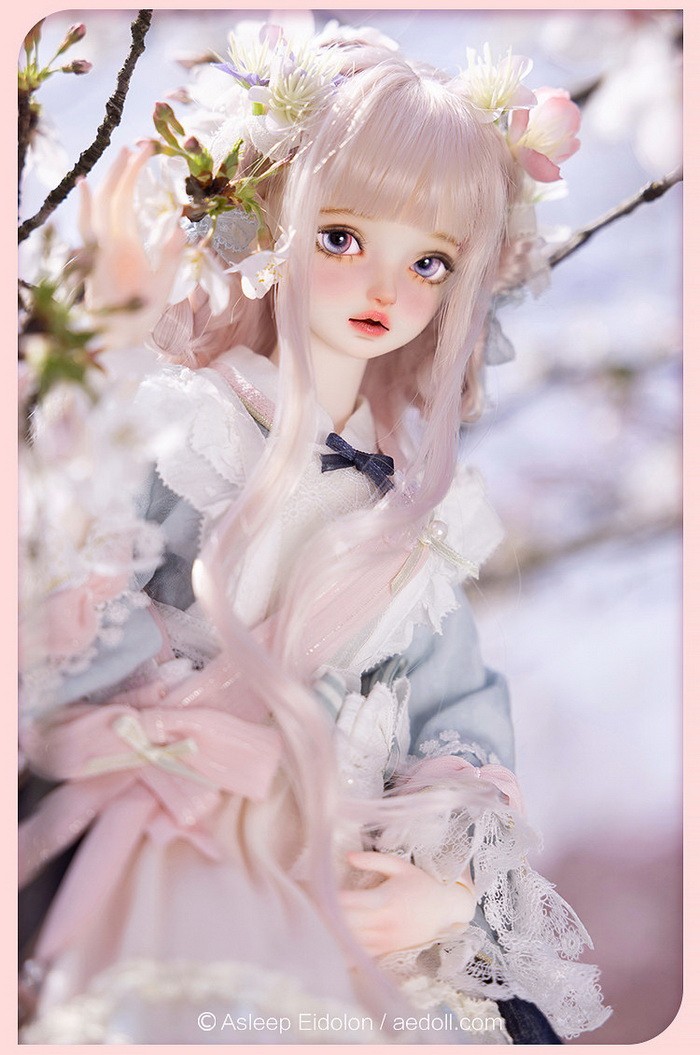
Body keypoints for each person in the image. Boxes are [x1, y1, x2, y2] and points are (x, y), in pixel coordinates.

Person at [19, 20, 608, 1044]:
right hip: (176, 825)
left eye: (430, 261)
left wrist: (449, 888)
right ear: (263, 221)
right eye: (342, 237)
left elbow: (456, 712)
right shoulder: (187, 424)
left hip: (339, 869)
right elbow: (56, 585)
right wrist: (107, 343)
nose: (386, 287)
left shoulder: (420, 513)